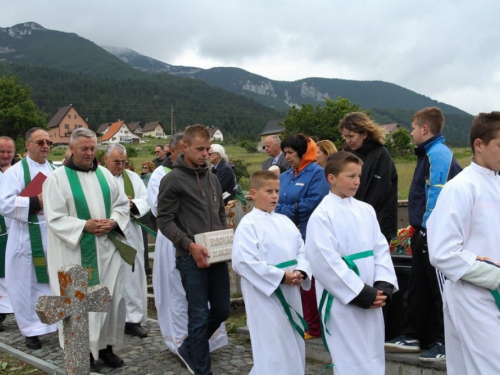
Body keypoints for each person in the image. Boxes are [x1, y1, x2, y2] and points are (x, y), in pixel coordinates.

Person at [43, 128, 130, 369]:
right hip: (76, 252)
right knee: (81, 302)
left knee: (110, 299)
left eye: (93, 148)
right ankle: (85, 352)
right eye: (84, 149)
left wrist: (113, 221)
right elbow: (55, 218)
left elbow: (122, 205)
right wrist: (84, 225)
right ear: (71, 149)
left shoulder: (105, 175)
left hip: (107, 251)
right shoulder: (57, 178)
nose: (90, 153)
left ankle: (106, 348)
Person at [306, 151, 398, 374]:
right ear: (332, 178)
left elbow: (380, 248)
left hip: (372, 294)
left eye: (359, 175)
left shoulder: (366, 210)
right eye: (350, 176)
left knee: (373, 352)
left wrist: (383, 283)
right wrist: (359, 293)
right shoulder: (322, 215)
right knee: (350, 357)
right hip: (344, 299)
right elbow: (324, 262)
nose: (357, 181)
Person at [385, 107, 461, 361]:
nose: (411, 132)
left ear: (425, 129)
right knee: (418, 286)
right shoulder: (427, 153)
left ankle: (444, 341)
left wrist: (428, 229)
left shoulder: (438, 154)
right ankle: (413, 335)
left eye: (413, 128)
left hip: (434, 233)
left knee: (439, 289)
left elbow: (437, 195)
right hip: (422, 231)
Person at [427, 111, 500, 374]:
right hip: (472, 296)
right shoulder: (461, 188)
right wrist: (496, 276)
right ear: (479, 145)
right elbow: (442, 252)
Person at [157, 124, 230, 375]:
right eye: (200, 149)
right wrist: (188, 244)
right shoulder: (172, 180)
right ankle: (202, 369)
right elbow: (164, 220)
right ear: (184, 147)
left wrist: (224, 240)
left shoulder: (212, 177)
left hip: (216, 255)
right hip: (189, 256)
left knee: (222, 309)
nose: (205, 154)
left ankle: (189, 347)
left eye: (208, 149)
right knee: (198, 315)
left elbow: (219, 211)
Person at [232, 170, 311, 375]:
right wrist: (281, 277)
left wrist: (301, 270)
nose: (275, 196)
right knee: (272, 346)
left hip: (291, 290)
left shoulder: (284, 221)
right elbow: (244, 262)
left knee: (293, 341)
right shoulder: (248, 225)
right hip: (264, 295)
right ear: (253, 193)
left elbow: (301, 249)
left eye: (277, 191)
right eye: (269, 191)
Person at [0, 128, 58, 349]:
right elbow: (4, 204)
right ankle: (30, 329)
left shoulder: (55, 170)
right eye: (40, 142)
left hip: (51, 235)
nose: (45, 145)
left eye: (48, 142)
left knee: (50, 283)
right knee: (25, 284)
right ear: (27, 145)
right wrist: (36, 201)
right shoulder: (13, 172)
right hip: (25, 236)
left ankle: (52, 324)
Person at [275, 134, 330, 340]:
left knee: (309, 281)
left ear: (303, 152)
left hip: (309, 234)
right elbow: (275, 202)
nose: (287, 157)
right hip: (288, 236)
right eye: (285, 153)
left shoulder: (318, 174)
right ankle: (299, 320)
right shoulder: (284, 176)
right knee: (294, 279)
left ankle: (314, 326)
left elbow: (313, 203)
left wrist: (284, 210)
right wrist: (289, 209)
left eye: (291, 152)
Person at [104, 144, 150, 339]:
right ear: (106, 159)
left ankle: (132, 319)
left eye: (124, 162)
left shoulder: (133, 178)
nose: (120, 166)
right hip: (108, 233)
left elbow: (146, 200)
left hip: (130, 232)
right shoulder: (98, 177)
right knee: (110, 276)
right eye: (116, 162)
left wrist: (133, 204)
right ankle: (108, 318)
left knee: (132, 276)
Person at [339, 112, 398, 243]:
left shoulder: (381, 154)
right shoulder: (350, 152)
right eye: (345, 136)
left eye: (351, 136)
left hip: (376, 224)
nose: (347, 140)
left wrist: (358, 218)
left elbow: (378, 194)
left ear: (364, 134)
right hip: (354, 221)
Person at [0, 136, 16, 331]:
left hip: (17, 228)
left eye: (9, 152)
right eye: (1, 152)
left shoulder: (19, 172)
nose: (5, 155)